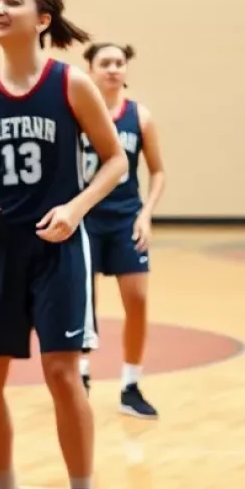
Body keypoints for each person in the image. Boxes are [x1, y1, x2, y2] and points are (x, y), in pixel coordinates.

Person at [0, 0, 127, 489]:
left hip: (57, 248)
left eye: (11, 1)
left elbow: (116, 162)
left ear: (42, 20)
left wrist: (76, 208)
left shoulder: (70, 82)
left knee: (61, 374)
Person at [78, 42, 166, 418]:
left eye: (119, 63)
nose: (113, 69)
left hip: (125, 218)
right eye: (105, 63)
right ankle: (80, 375)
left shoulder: (139, 116)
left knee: (138, 300)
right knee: (82, 304)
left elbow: (158, 170)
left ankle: (130, 385)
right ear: (91, 70)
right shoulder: (76, 113)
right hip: (85, 219)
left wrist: (146, 214)